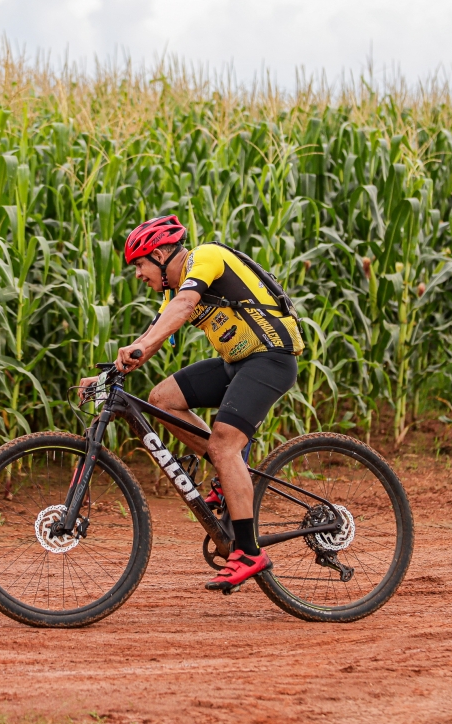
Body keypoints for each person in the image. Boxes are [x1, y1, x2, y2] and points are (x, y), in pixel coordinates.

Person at [79, 215, 305, 593]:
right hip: (237, 362)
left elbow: (185, 305)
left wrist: (140, 346)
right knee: (162, 399)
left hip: (271, 358)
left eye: (140, 264)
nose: (138, 274)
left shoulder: (205, 257)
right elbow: (152, 336)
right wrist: (107, 375)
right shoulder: (173, 293)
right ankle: (228, 475)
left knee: (224, 444)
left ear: (161, 254)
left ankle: (248, 552)